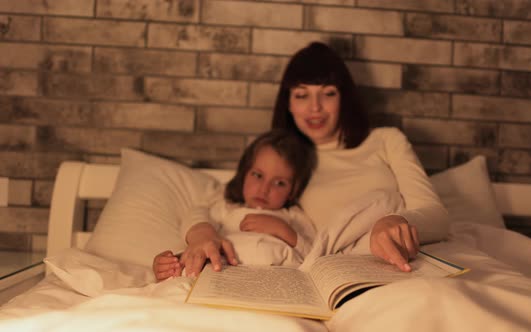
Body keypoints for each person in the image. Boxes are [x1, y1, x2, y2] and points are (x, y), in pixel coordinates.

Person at [181, 41, 450, 277]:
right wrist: (203, 235)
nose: (315, 107)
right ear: (288, 103)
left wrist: (397, 222)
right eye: (302, 95)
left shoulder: (386, 141)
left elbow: (436, 217)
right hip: (327, 270)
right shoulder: (285, 160)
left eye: (328, 93)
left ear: (344, 97)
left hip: (398, 261)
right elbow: (212, 205)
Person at [152, 130, 317, 281]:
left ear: (292, 191)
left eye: (280, 183)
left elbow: (314, 254)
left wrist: (284, 230)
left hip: (275, 280)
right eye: (257, 175)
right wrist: (172, 261)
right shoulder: (227, 209)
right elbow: (197, 218)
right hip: (220, 274)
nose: (264, 189)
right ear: (244, 174)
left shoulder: (292, 216)